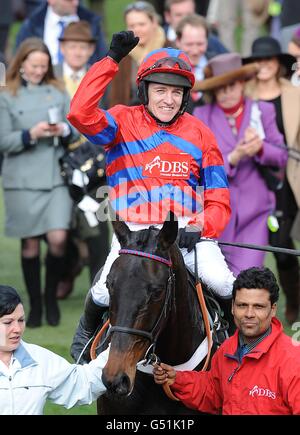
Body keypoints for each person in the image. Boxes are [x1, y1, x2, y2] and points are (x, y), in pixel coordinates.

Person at [67, 31, 235, 362]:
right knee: (102, 291)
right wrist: (111, 60)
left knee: (224, 283)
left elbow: (218, 197)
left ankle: (232, 347)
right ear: (145, 91)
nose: (168, 99)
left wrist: (201, 227)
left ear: (186, 96)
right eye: (160, 90)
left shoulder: (202, 135)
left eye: (176, 92)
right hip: (133, 233)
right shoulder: (120, 122)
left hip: (186, 233)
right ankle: (86, 336)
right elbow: (79, 114)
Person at [0, 38, 79, 328]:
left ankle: (50, 297)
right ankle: (33, 304)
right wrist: (30, 134)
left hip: (54, 175)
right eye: (33, 65)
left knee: (58, 239)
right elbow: (3, 140)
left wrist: (63, 129)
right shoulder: (6, 95)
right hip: (21, 178)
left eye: (43, 66)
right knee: (30, 245)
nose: (38, 70)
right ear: (20, 64)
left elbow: (74, 127)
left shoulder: (57, 91)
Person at [153, 266, 300, 415]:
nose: (249, 314)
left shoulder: (294, 360)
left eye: (258, 307)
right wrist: (177, 379)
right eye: (242, 305)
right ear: (232, 307)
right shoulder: (227, 348)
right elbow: (213, 392)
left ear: (273, 309)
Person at [193, 52, 287, 276]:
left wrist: (260, 148)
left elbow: (281, 155)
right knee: (215, 281)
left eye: (231, 85)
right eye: (220, 87)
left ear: (243, 83)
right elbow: (196, 164)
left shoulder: (262, 111)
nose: (226, 92)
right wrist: (232, 158)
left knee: (246, 277)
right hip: (214, 212)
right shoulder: (201, 115)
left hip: (255, 213)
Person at [244, 36, 300, 324]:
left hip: (289, 179)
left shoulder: (294, 94)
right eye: (258, 59)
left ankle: (294, 302)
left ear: (278, 63)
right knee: (260, 245)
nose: (263, 64)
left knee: (284, 246)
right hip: (252, 178)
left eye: (269, 59)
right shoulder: (243, 94)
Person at [54, 20, 109, 299]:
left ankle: (97, 289)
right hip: (56, 163)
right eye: (71, 46)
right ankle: (67, 269)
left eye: (83, 47)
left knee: (97, 222)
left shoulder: (102, 77)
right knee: (60, 227)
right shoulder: (50, 76)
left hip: (95, 164)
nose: (77, 52)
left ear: (90, 50)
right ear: (62, 48)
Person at [0, 285, 107, 415]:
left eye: (21, 320)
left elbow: (83, 384)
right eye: (8, 322)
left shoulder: (38, 359)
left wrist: (118, 348)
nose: (17, 328)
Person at [108, 1, 166, 107]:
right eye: (132, 25)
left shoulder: (169, 50)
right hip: (129, 118)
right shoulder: (122, 55)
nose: (137, 30)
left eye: (142, 24)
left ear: (154, 23)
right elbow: (115, 98)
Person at [15, 0, 107, 66]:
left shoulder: (92, 23)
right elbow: (19, 61)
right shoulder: (32, 25)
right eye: (69, 0)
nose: (75, 3)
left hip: (82, 87)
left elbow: (103, 62)